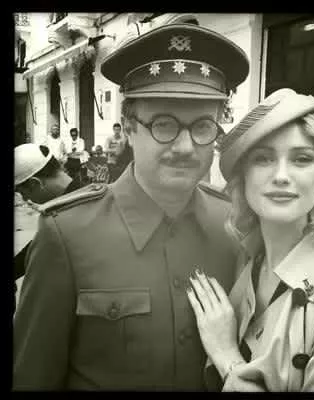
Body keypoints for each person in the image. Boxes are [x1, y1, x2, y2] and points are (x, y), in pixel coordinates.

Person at [13, 23, 249, 390]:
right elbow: (33, 377)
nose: (185, 147)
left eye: (203, 126)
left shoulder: (235, 227)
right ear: (127, 127)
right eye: (163, 125)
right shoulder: (67, 234)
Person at [186, 89, 314, 391]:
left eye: (301, 159)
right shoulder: (247, 261)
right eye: (263, 159)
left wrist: (227, 357)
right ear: (243, 176)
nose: (281, 176)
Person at [14, 143, 85, 313]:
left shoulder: (68, 215)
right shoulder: (82, 198)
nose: (26, 200)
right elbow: (35, 249)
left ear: (35, 184)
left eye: (22, 193)